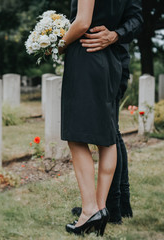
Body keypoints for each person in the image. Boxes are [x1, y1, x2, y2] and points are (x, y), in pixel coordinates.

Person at [57, 0, 141, 236]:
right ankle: (101, 208)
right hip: (112, 60)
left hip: (86, 57)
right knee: (108, 137)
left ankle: (89, 210)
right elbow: (135, 18)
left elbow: (82, 22)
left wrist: (57, 46)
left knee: (76, 137)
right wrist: (115, 35)